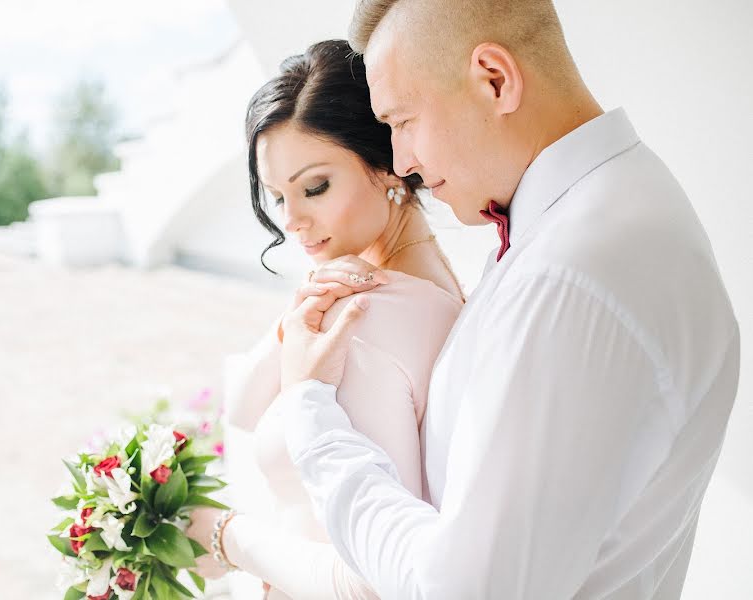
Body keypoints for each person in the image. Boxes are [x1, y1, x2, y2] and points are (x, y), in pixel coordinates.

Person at [276, 1, 741, 598]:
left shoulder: (572, 271)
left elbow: (466, 591)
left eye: (403, 121)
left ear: (495, 80)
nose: (401, 163)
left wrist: (311, 417)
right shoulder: (603, 211)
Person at [184, 39, 465, 599]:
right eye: (278, 196)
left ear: (386, 163)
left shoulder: (363, 319)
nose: (293, 221)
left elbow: (371, 581)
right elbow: (240, 405)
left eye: (315, 187)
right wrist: (296, 315)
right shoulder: (419, 287)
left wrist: (223, 537)